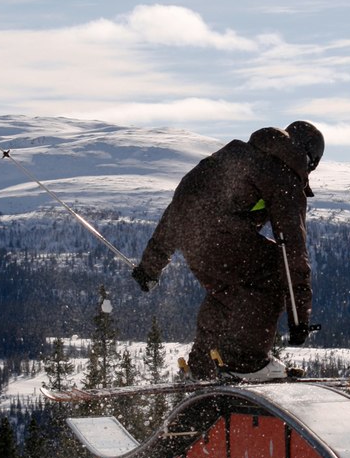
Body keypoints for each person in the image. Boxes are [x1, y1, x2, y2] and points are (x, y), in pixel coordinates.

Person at [132, 121, 324, 381]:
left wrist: (150, 266)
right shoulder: (283, 174)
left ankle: (204, 366)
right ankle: (246, 362)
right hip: (220, 239)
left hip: (195, 242)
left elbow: (183, 205)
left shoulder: (233, 153)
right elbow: (292, 249)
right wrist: (299, 318)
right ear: (310, 159)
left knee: (228, 291)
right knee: (273, 270)